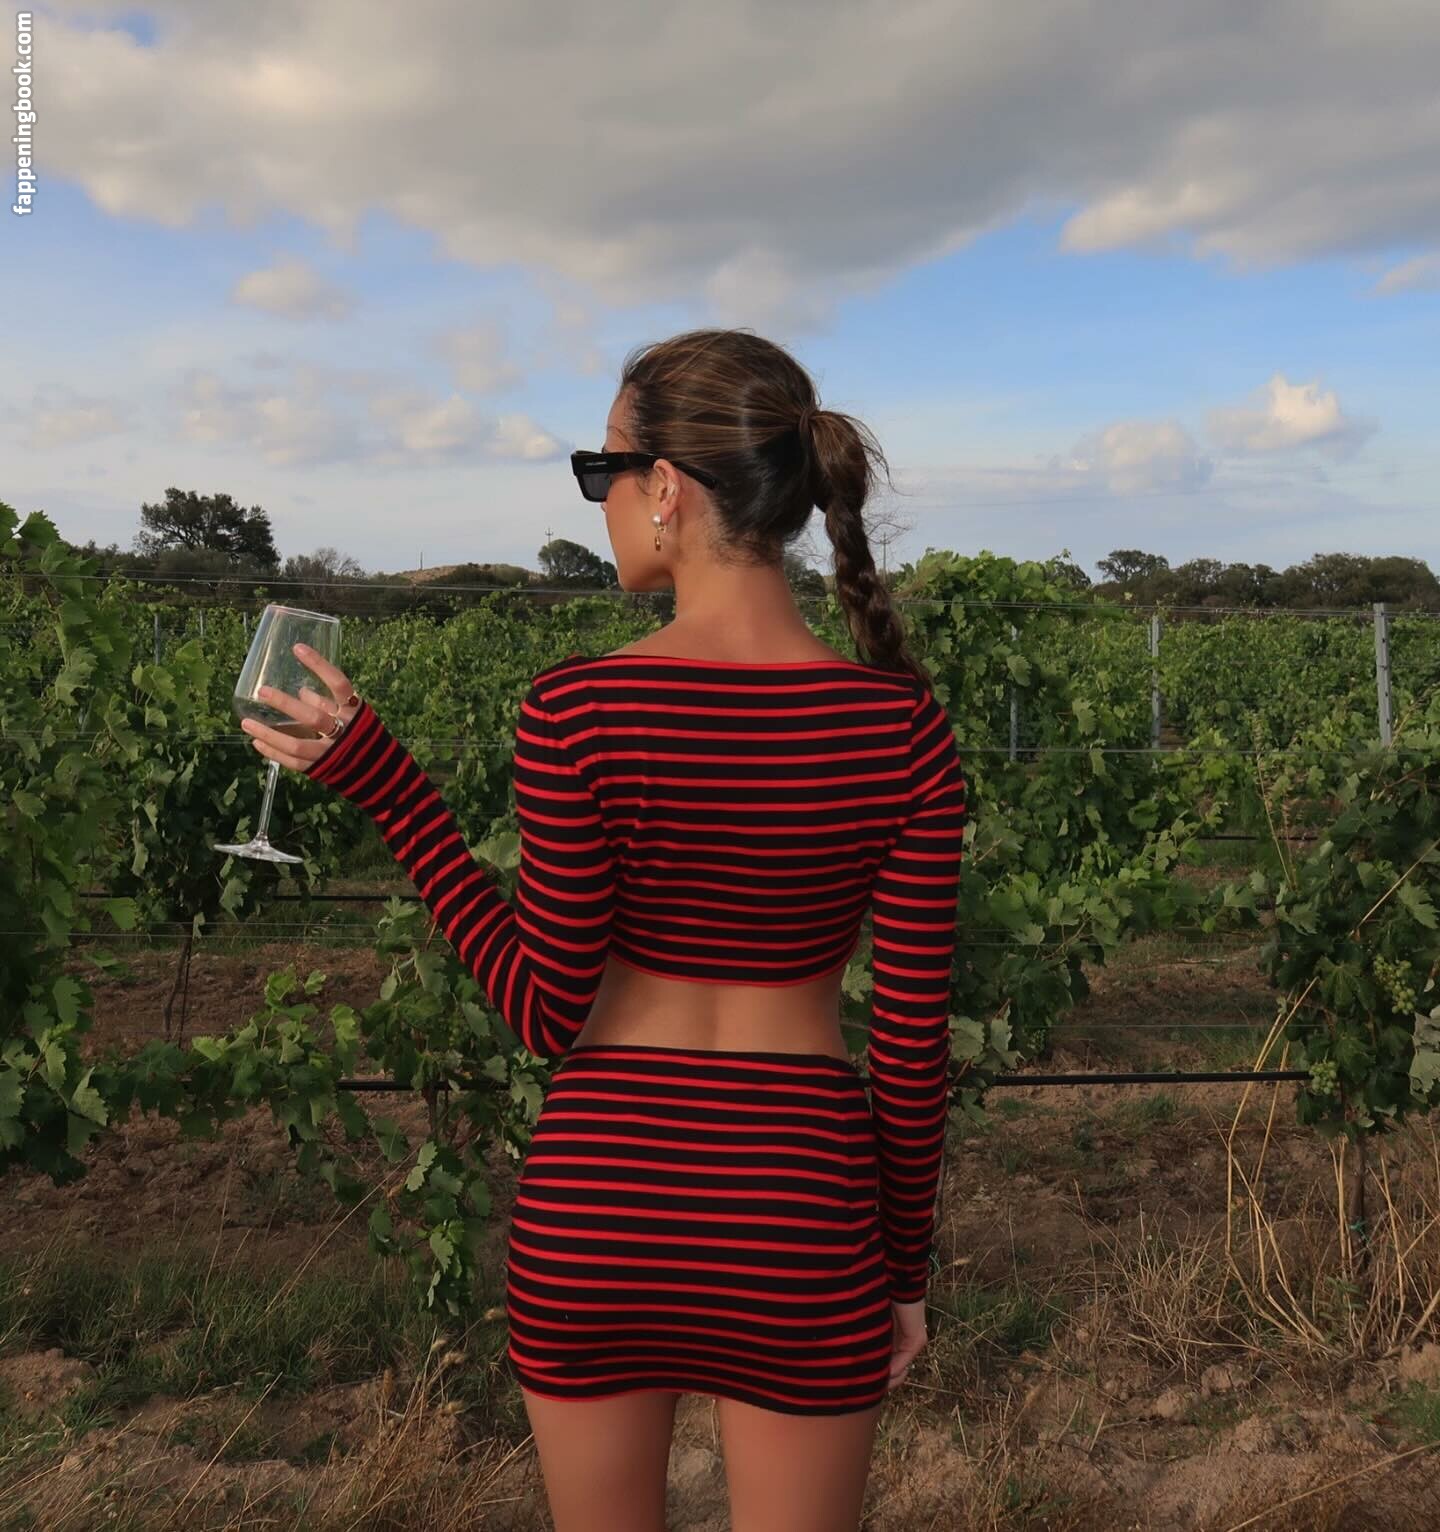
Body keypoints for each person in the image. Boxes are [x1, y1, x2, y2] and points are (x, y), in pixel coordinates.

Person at [242, 327, 969, 1532]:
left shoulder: (581, 708)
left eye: (602, 470)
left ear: (667, 488)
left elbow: (543, 1010)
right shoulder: (901, 731)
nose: (601, 499)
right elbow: (908, 1049)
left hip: (600, 1208)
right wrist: (900, 1271)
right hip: (798, 1209)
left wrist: (388, 784)